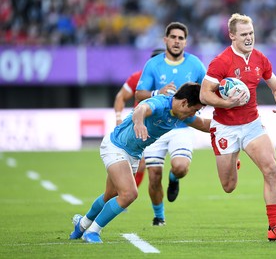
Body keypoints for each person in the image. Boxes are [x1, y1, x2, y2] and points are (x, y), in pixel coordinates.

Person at [69, 83, 210, 243]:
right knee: (129, 194)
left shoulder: (182, 114)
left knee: (111, 194)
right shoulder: (160, 103)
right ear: (184, 102)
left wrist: (232, 125)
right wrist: (139, 123)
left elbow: (205, 125)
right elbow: (141, 110)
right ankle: (93, 232)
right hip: (116, 147)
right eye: (193, 110)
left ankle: (82, 225)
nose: (193, 114)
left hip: (133, 154)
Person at [199, 13, 276, 241]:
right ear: (232, 35)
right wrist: (226, 103)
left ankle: (274, 227)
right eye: (243, 34)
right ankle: (233, 160)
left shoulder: (260, 59)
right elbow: (204, 94)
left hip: (252, 125)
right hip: (225, 128)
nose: (249, 38)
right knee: (228, 186)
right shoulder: (221, 61)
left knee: (271, 169)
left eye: (251, 33)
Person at [135, 22, 206, 226]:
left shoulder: (195, 64)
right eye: (173, 37)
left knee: (181, 167)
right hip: (155, 127)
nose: (177, 41)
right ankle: (159, 216)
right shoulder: (153, 64)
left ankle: (174, 179)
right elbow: (139, 94)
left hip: (181, 126)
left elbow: (207, 90)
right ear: (165, 40)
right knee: (154, 175)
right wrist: (159, 92)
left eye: (181, 38)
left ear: (186, 41)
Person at [113, 48, 164, 187]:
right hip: (141, 124)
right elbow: (121, 96)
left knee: (148, 167)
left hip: (161, 127)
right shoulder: (139, 77)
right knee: (139, 164)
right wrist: (118, 117)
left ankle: (124, 196)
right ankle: (123, 195)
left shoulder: (172, 80)